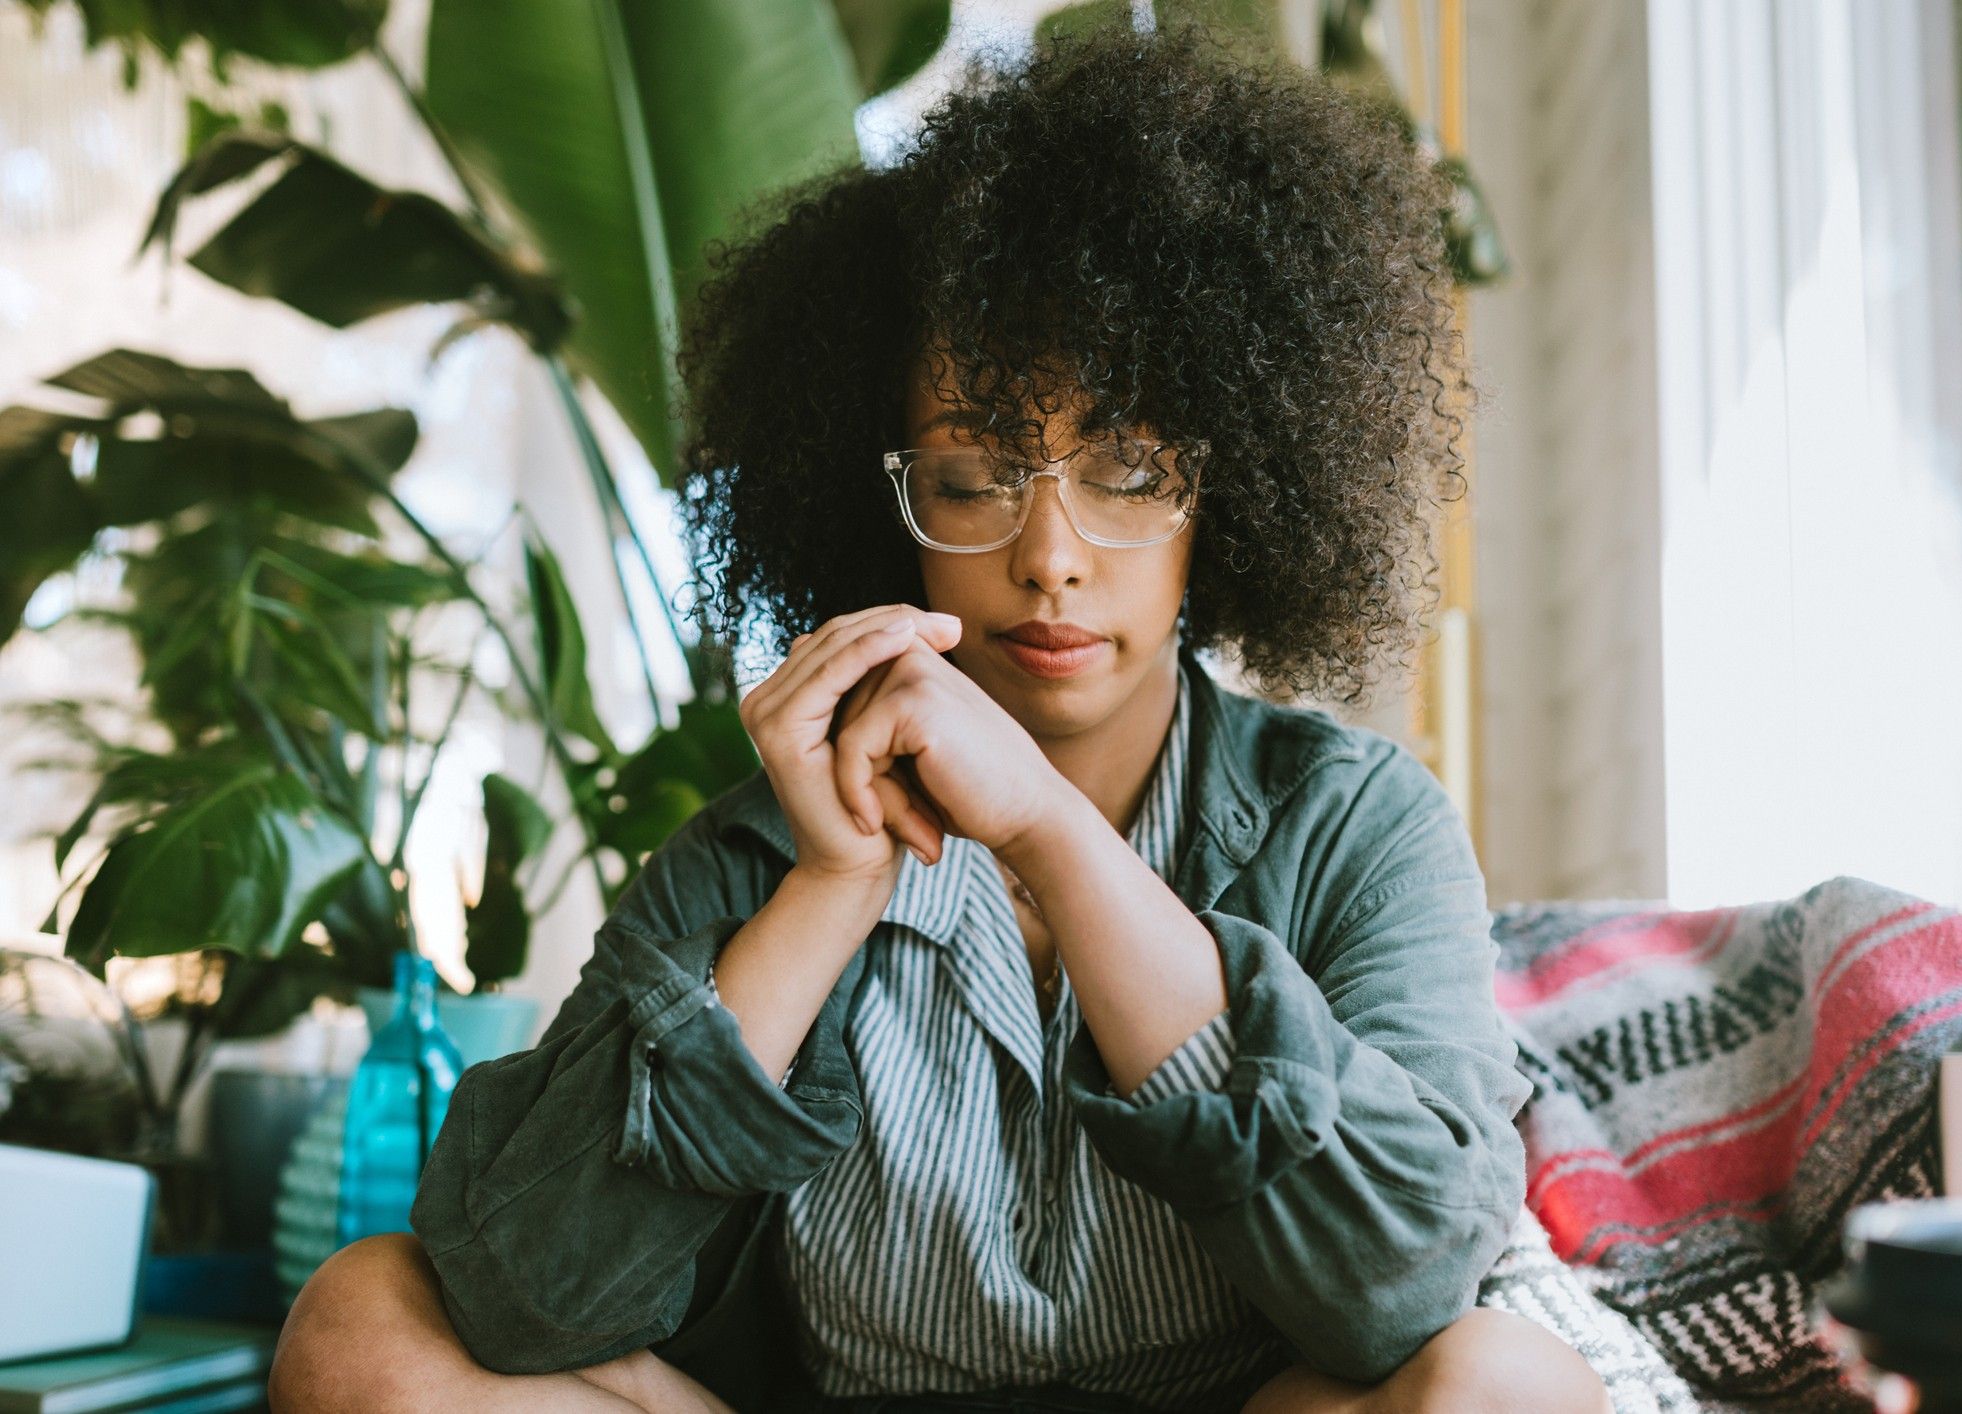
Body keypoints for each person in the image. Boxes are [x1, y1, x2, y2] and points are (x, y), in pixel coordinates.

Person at [269, 17, 1610, 1414]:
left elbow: (1399, 1284)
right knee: (363, 1319)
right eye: (972, 479)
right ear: (879, 503)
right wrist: (830, 884)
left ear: (1236, 486)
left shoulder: (1352, 821)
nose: (1050, 555)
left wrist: (1045, 831)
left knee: (1509, 1383)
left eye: (1130, 468)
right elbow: (526, 1296)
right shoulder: (754, 856)